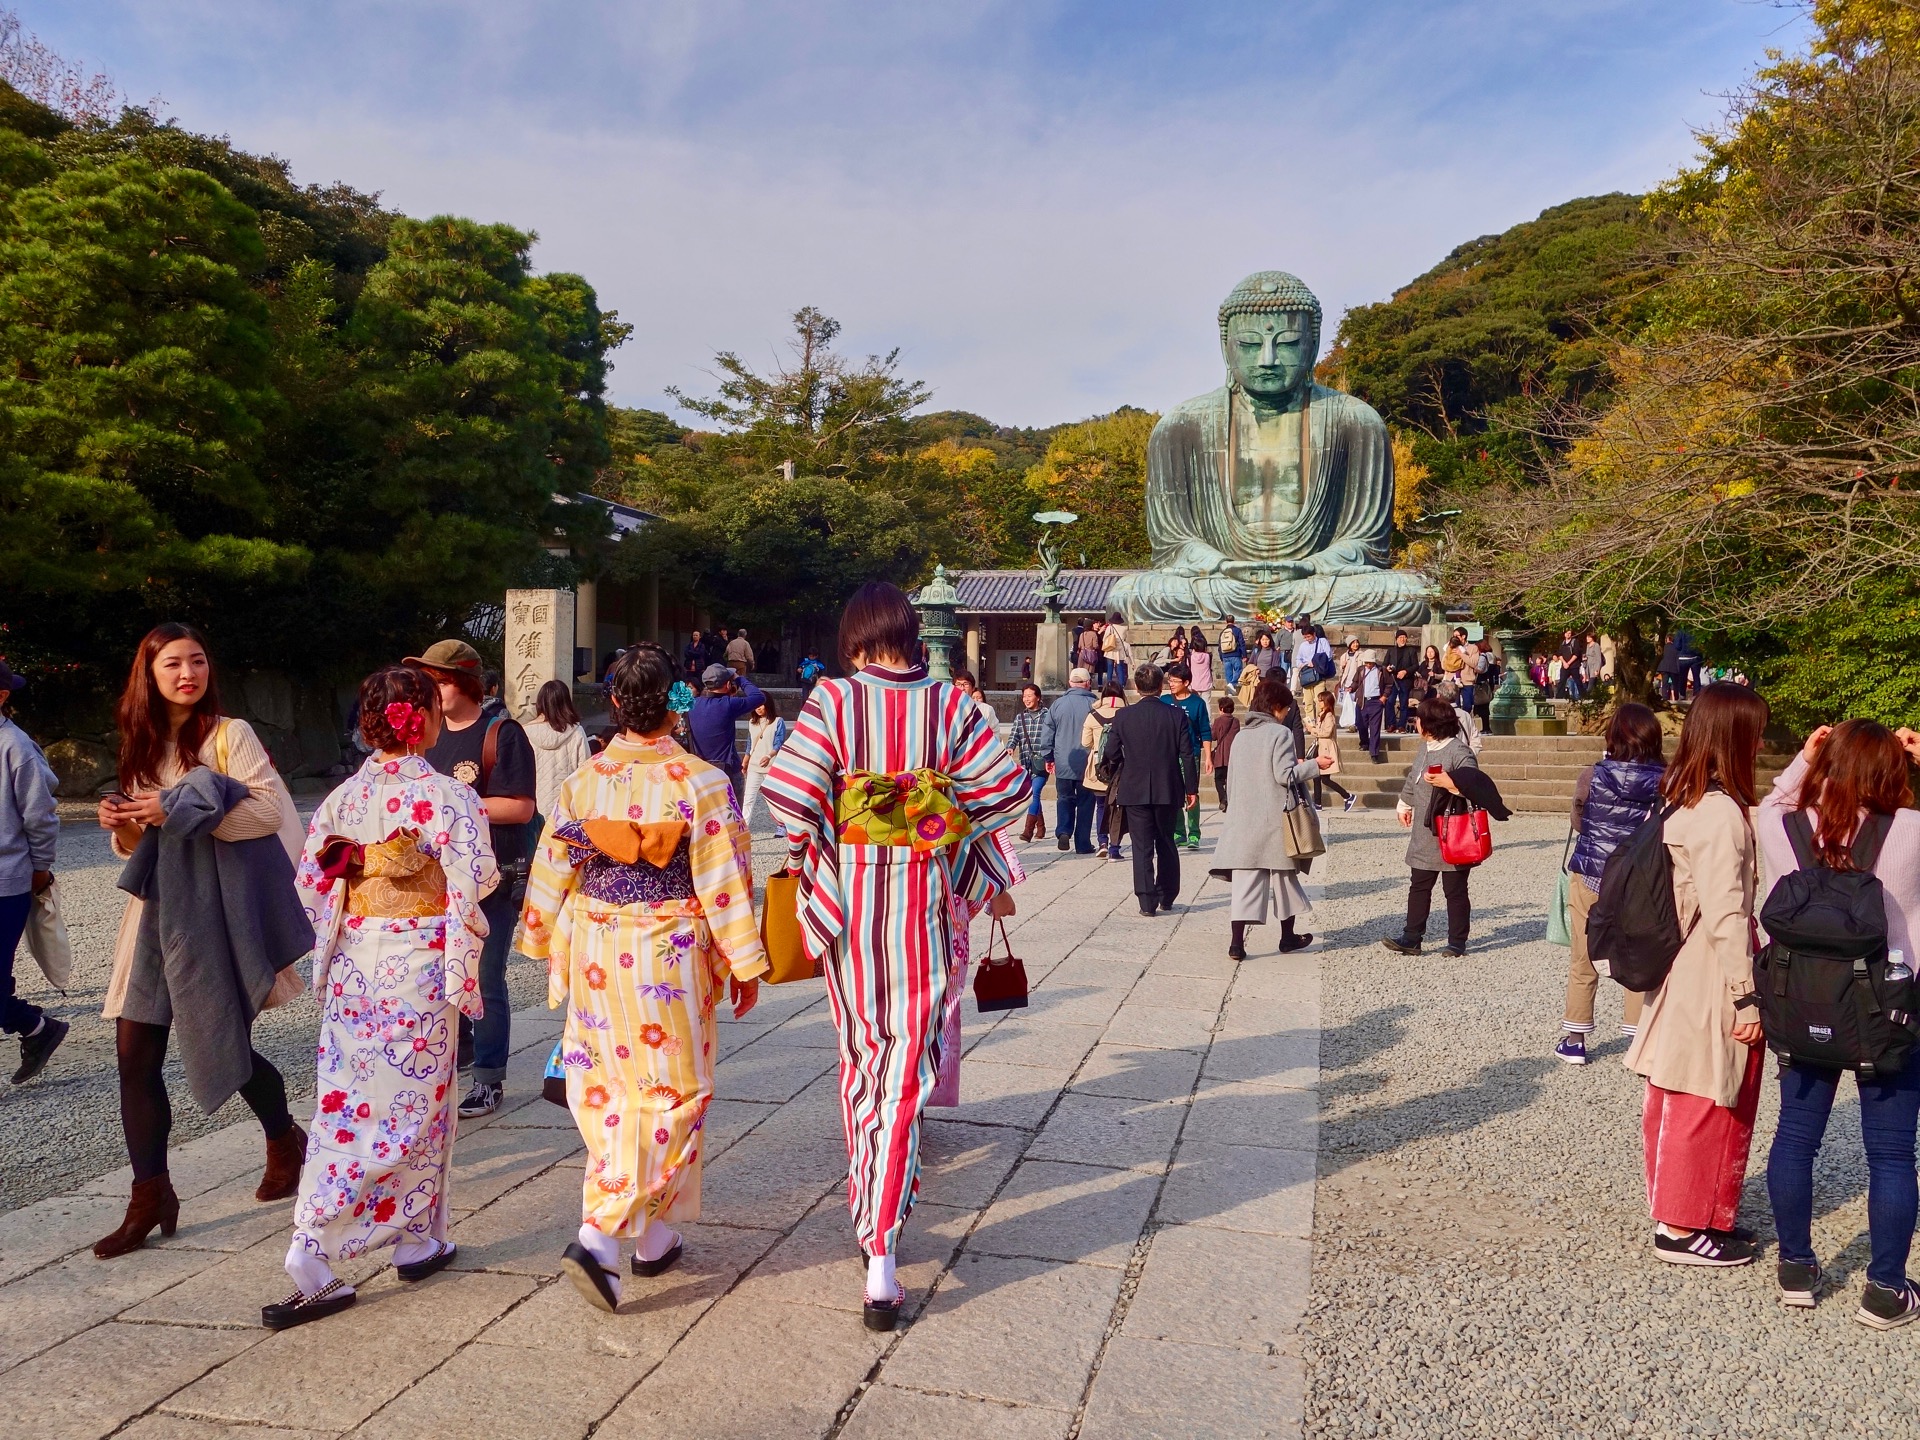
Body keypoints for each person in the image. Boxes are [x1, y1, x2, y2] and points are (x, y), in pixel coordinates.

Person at [762, 582, 1026, 1328]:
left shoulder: (834, 700)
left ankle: (868, 1217)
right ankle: (883, 1255)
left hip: (851, 906)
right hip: (921, 905)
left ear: (854, 638)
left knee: (860, 1060)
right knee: (908, 1073)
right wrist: (939, 820)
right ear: (912, 636)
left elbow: (789, 794)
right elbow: (1006, 790)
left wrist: (826, 837)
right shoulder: (950, 706)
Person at [519, 644, 769, 1312]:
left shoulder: (585, 782)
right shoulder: (701, 782)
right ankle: (601, 1234)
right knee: (674, 1093)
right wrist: (744, 960)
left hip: (599, 942)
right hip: (668, 950)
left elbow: (553, 868)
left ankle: (654, 1236)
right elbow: (726, 883)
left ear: (614, 703)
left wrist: (542, 936)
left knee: (607, 1090)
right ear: (676, 699)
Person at [268, 667, 499, 1329]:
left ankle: (418, 1238)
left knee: (349, 1103)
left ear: (370, 724)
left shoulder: (342, 799)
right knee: (408, 1115)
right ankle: (312, 1248)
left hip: (356, 972)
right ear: (422, 719)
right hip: (419, 968)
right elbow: (478, 875)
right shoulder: (447, 796)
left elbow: (313, 885)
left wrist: (365, 873)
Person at [94, 624, 311, 1259]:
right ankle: (150, 1193)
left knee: (222, 1039)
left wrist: (176, 809)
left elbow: (268, 813)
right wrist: (124, 822)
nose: (187, 673)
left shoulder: (228, 734)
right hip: (154, 916)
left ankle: (284, 1137)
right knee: (134, 1058)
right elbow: (139, 847)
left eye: (197, 661)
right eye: (172, 664)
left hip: (214, 916)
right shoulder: (138, 743)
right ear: (150, 674)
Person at [1754, 719, 1920, 1322]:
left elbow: (1769, 800)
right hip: (1889, 1008)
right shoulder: (1909, 831)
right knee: (1893, 1154)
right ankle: (1885, 1288)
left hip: (1801, 1001)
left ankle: (1796, 1266)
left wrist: (1806, 758)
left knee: (1796, 1137)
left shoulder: (1784, 826)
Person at [1625, 682, 1770, 1268]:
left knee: (1680, 1089)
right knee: (1704, 1092)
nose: (1760, 745)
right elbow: (1727, 914)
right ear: (1735, 737)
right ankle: (1681, 1227)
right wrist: (1747, 997)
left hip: (1685, 964)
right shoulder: (1717, 814)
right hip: (1712, 970)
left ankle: (1696, 1213)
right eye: (1755, 733)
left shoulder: (1686, 799)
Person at [407, 638, 537, 1119]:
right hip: (431, 881)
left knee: (484, 978)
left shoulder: (501, 733)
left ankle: (488, 1077)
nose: (428, 689)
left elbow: (520, 807)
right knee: (435, 978)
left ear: (463, 681)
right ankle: (449, 1060)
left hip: (489, 880)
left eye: (436, 680)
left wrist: (453, 808)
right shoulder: (424, 736)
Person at [1557, 703, 1665, 1065]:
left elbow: (1578, 822)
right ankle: (1638, 1033)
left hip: (1592, 872)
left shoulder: (1592, 775)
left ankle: (1575, 1038)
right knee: (1638, 953)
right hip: (1641, 881)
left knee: (1583, 955)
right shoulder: (1668, 780)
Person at [1212, 677, 1332, 958]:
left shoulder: (1242, 735)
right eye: (1286, 708)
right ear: (1276, 706)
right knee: (1284, 880)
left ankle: (1237, 944)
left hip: (1244, 820)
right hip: (1275, 821)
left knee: (1245, 885)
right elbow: (1284, 776)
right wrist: (1315, 765)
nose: (1287, 713)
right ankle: (1287, 937)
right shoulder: (1280, 734)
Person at [0, 658, 64, 1082]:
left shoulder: (16, 746)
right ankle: (38, 1027)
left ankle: (37, 1027)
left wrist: (40, 867)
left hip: (6, 882)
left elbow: (40, 815)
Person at [1381, 696, 1483, 958]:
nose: (1416, 722)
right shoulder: (1426, 747)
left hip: (1452, 831)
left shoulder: (1459, 751)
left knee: (1455, 890)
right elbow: (1412, 779)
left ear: (1430, 724)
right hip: (1425, 832)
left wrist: (1448, 782)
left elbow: (1474, 784)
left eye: (1419, 718)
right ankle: (1411, 938)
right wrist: (1404, 804)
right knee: (1419, 885)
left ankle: (1457, 941)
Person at [1104, 663, 1199, 916]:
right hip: (1168, 786)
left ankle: (1146, 902)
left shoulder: (1123, 716)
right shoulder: (1176, 714)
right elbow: (1187, 755)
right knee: (1166, 842)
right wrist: (1192, 788)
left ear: (1136, 687)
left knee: (1141, 846)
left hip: (1134, 788)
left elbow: (1111, 751)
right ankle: (1167, 894)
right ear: (1162, 686)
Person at [684, 662, 765, 806]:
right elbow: (758, 697)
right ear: (727, 684)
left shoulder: (692, 704)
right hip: (727, 769)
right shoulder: (728, 704)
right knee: (733, 817)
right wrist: (739, 678)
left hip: (700, 769)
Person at [525, 679, 593, 823]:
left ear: (540, 703)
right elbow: (586, 775)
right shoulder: (576, 732)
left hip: (532, 810)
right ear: (567, 702)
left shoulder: (525, 733)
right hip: (565, 810)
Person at [1162, 663, 1212, 849]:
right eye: (1170, 680)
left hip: (1191, 754)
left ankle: (1194, 833)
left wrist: (1208, 757)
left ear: (1186, 682)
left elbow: (1205, 731)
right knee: (1174, 795)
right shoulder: (1165, 701)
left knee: (1192, 793)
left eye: (1175, 681)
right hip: (1169, 755)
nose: (1171, 684)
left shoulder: (1197, 703)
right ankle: (1178, 832)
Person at [1048, 669, 1098, 853]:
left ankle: (1063, 830)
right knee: (1086, 802)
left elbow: (1048, 733)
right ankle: (1083, 843)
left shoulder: (1058, 704)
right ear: (1087, 683)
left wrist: (1048, 756)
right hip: (1087, 763)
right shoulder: (1094, 704)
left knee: (1064, 798)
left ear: (1070, 683)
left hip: (1063, 761)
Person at [1082, 683, 1127, 860]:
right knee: (1118, 807)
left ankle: (1102, 842)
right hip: (1122, 766)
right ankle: (1115, 848)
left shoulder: (1093, 715)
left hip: (1099, 766)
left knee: (1101, 805)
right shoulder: (1127, 714)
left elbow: (1085, 743)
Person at [1008, 683, 1055, 843]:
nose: (1026, 699)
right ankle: (1041, 827)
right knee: (1033, 795)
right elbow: (1014, 736)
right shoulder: (1020, 717)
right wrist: (1010, 747)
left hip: (1042, 761)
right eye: (1024, 696)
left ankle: (1028, 831)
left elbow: (1052, 736)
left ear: (1038, 697)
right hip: (1026, 762)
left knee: (1034, 793)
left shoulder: (1048, 715)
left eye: (1029, 695)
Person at [740, 694, 788, 830]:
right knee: (748, 798)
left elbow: (778, 743)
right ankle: (744, 828)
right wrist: (745, 763)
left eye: (761, 705)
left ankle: (782, 825)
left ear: (768, 704)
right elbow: (750, 745)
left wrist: (769, 755)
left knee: (774, 798)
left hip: (771, 766)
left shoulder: (778, 721)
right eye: (756, 706)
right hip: (754, 766)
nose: (758, 708)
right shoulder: (751, 722)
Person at [1310, 690, 1353, 813]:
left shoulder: (1329, 715)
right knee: (1317, 777)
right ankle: (1318, 803)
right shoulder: (1322, 714)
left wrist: (1313, 730)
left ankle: (1347, 796)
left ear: (1327, 701)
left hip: (1326, 749)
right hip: (1321, 747)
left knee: (1325, 779)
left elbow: (1327, 733)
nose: (1319, 703)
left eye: (1321, 700)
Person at [1211, 696, 1240, 813]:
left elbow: (1213, 736)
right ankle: (1227, 799)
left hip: (1220, 757)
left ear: (1221, 709)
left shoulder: (1218, 721)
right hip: (1232, 756)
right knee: (1229, 780)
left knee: (1218, 780)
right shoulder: (1236, 721)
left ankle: (1223, 798)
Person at [1356, 650, 1386, 763]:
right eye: (1366, 663)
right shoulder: (1360, 670)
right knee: (1361, 724)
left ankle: (1374, 753)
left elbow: (1389, 684)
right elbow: (1356, 682)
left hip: (1376, 701)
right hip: (1362, 701)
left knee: (1375, 728)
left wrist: (1384, 697)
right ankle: (1364, 742)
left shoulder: (1381, 670)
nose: (1368, 665)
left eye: (1370, 663)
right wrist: (1351, 688)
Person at [1101, 612, 1133, 691]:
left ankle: (1109, 684)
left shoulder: (1110, 628)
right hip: (1120, 650)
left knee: (1110, 668)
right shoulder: (1124, 628)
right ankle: (1121, 685)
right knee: (1120, 668)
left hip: (1111, 649)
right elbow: (1124, 638)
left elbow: (1104, 638)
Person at [1219, 617, 1246, 693]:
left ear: (1226, 621)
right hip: (1235, 654)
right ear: (1234, 621)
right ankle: (1232, 684)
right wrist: (1244, 655)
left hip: (1225, 655)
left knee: (1228, 674)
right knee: (1239, 670)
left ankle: (1230, 692)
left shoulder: (1223, 632)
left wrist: (1221, 657)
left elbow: (1219, 646)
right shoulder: (1237, 630)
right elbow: (1242, 643)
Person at [1187, 627, 1214, 696]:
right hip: (1206, 683)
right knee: (1207, 704)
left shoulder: (1191, 658)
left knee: (1195, 703)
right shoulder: (1207, 656)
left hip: (1194, 684)